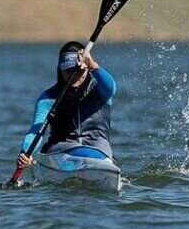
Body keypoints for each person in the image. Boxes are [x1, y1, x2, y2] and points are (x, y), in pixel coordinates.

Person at [16, 41, 117, 171]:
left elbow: (111, 87)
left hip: (98, 148)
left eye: (79, 70)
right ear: (60, 69)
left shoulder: (100, 90)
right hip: (61, 149)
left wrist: (93, 65)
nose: (74, 75)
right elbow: (35, 132)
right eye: (69, 70)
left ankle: (105, 169)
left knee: (101, 146)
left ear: (86, 67)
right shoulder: (48, 99)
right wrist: (25, 152)